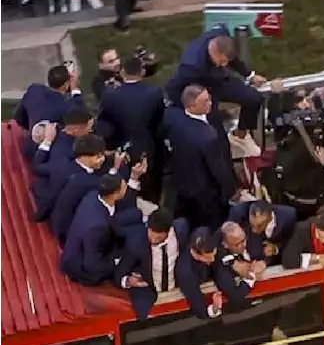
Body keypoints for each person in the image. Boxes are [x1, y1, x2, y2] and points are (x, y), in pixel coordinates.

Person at [165, 27, 269, 141]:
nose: (224, 65)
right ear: (214, 51)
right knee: (214, 128)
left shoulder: (222, 35)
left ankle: (241, 136)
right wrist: (189, 109)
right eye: (221, 61)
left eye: (226, 62)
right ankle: (220, 148)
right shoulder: (191, 66)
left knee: (253, 98)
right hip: (200, 88)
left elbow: (233, 59)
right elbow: (174, 88)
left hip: (219, 80)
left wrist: (250, 75)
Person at [165, 85, 238, 231]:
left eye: (209, 99)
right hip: (206, 194)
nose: (210, 103)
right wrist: (232, 190)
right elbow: (218, 169)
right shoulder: (207, 137)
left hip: (183, 188)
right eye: (205, 101)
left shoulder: (174, 122)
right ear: (192, 105)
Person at [97, 56, 165, 200]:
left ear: (122, 73)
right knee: (152, 190)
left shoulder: (110, 96)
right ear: (142, 72)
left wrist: (111, 146)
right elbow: (161, 122)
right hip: (151, 150)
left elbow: (105, 126)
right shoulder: (155, 93)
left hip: (123, 153)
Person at [114, 210, 190, 319]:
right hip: (149, 290)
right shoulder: (135, 243)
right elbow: (118, 274)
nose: (153, 240)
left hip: (177, 287)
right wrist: (128, 281)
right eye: (151, 235)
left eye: (158, 238)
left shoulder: (181, 229)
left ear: (168, 232)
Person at [59, 175, 129, 287]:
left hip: (92, 244)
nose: (127, 188)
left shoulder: (92, 196)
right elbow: (92, 264)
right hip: (82, 268)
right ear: (114, 195)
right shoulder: (98, 227)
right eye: (124, 187)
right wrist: (116, 263)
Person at [228, 200, 298, 263]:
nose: (254, 230)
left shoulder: (288, 217)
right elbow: (225, 240)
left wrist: (276, 249)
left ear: (270, 218)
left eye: (259, 226)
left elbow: (291, 241)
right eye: (252, 225)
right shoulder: (239, 214)